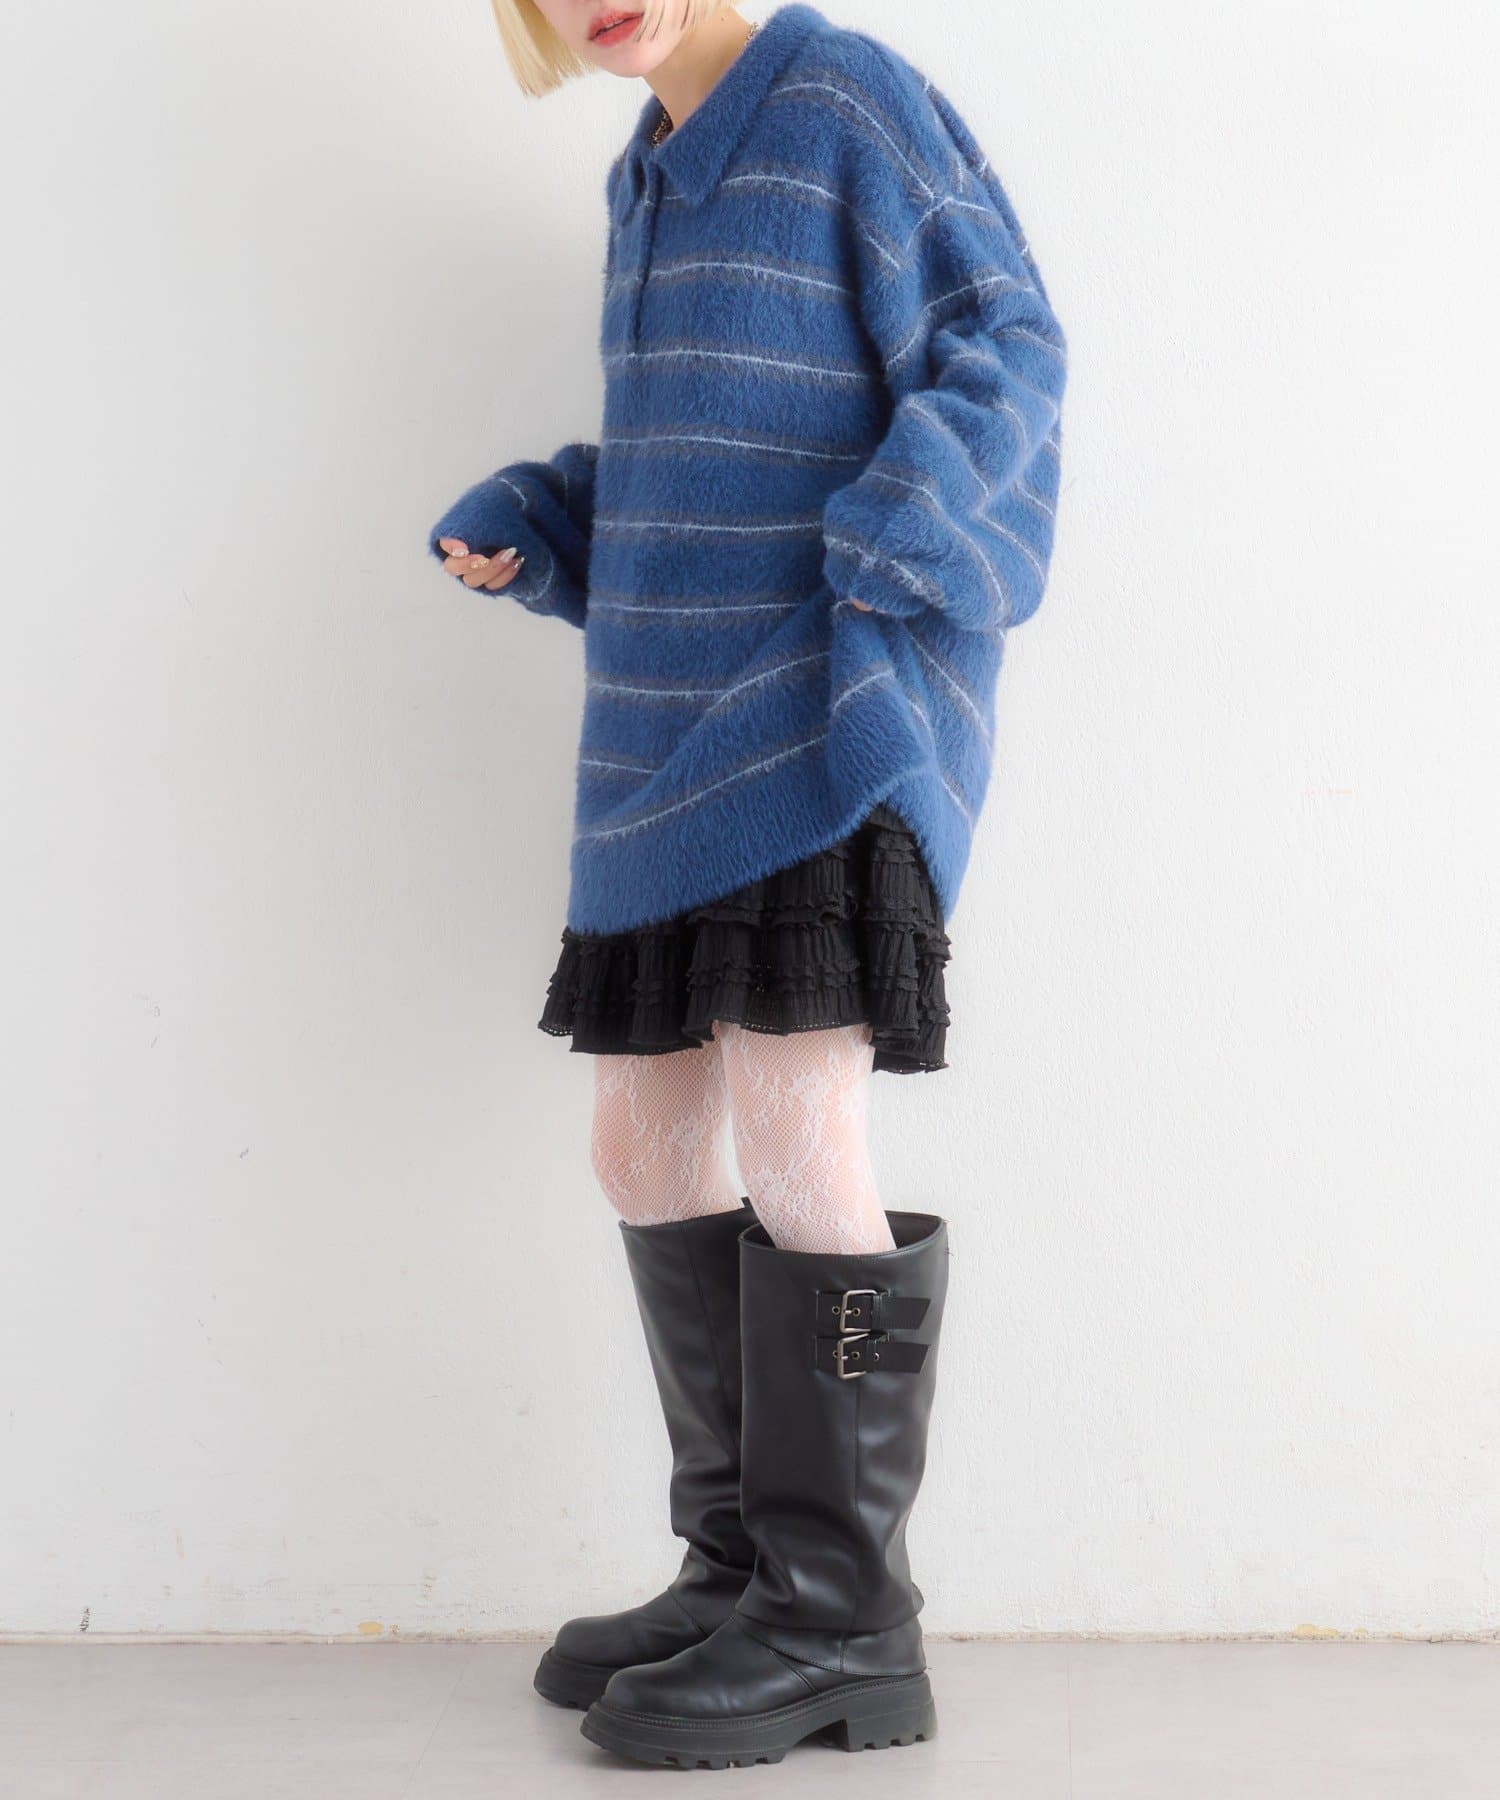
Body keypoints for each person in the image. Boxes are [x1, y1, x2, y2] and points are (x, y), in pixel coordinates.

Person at [428, 0, 1065, 1768]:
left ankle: (844, 1616)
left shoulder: (843, 100)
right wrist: (552, 518)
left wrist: (909, 515)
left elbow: (1007, 343)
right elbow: (703, 461)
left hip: (818, 717)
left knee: (795, 1132)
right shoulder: (645, 175)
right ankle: (743, 1567)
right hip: (664, 738)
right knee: (643, 1144)